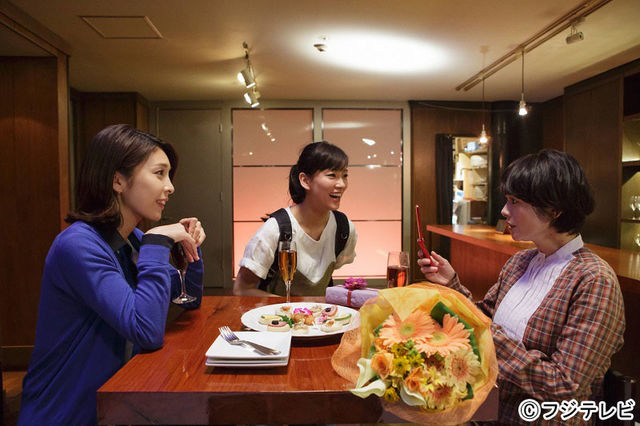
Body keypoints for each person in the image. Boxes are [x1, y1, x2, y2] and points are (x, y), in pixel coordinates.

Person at [417, 149, 625, 425]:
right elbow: (484, 316)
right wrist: (452, 284)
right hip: (487, 410)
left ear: (554, 210)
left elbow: (565, 387)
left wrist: (484, 335)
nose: (504, 211)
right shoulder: (521, 261)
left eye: (514, 201)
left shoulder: (594, 281)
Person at [18, 124, 206, 425]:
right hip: (66, 413)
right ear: (118, 180)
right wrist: (157, 243)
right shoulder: (78, 245)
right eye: (159, 173)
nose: (170, 187)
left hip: (116, 404)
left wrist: (189, 250)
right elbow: (146, 330)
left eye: (169, 175)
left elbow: (188, 299)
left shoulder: (132, 240)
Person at [234, 141, 357, 297]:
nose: (341, 184)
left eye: (345, 176)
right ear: (305, 180)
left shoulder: (344, 229)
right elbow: (241, 290)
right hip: (276, 313)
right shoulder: (275, 229)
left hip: (320, 313)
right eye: (332, 175)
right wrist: (290, 307)